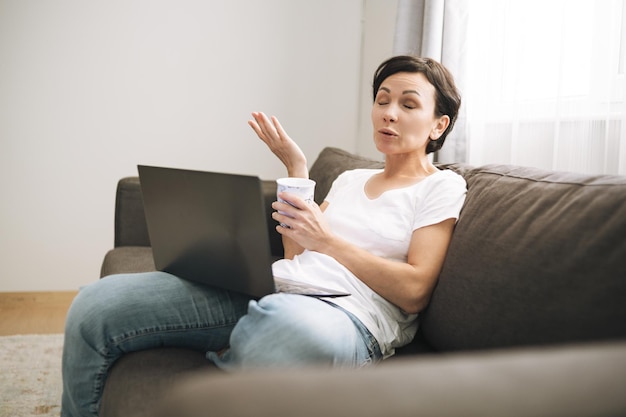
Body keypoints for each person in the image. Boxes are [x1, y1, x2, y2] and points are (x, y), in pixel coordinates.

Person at [61, 55, 467, 416]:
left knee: (285, 326)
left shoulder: (441, 187)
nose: (388, 113)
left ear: (439, 124)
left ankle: (238, 357)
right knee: (96, 305)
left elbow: (414, 290)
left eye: (408, 103)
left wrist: (328, 242)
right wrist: (296, 168)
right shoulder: (350, 178)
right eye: (382, 99)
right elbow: (296, 257)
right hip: (278, 290)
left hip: (347, 317)